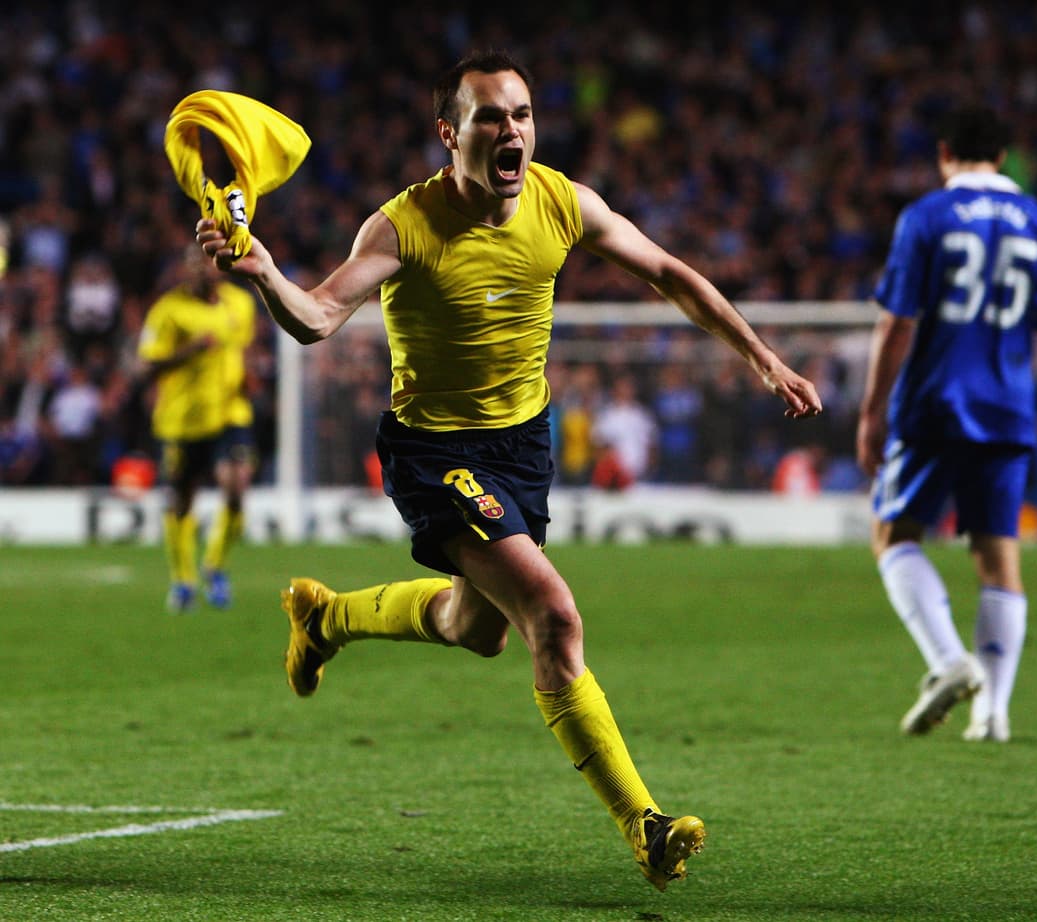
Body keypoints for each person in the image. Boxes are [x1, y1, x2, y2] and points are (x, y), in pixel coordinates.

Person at [197, 50, 822, 889]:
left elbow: (670, 272)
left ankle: (327, 619)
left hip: (523, 446)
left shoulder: (562, 201)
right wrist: (265, 271)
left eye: (522, 114)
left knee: (476, 627)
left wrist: (762, 358)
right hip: (435, 452)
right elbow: (317, 318)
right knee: (553, 617)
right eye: (491, 116)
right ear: (450, 133)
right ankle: (647, 823)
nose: (512, 130)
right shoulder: (403, 224)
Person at [856, 105, 1037, 745]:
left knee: (893, 534)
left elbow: (897, 321)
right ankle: (994, 714)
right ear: (1003, 156)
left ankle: (950, 660)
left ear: (945, 152)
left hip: (934, 402)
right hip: (1010, 408)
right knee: (997, 554)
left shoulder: (927, 215)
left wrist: (872, 411)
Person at [138, 244, 258, 612]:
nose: (203, 270)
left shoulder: (240, 303)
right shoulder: (168, 312)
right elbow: (147, 367)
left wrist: (246, 377)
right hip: (182, 421)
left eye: (208, 263)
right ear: (184, 270)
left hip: (229, 414)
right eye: (195, 265)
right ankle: (183, 579)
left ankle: (215, 567)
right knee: (181, 500)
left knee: (236, 486)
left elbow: (241, 350)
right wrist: (189, 351)